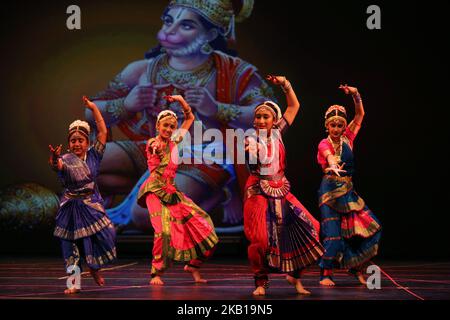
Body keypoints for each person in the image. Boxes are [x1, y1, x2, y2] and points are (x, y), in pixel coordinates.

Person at [86, 0, 275, 232]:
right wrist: (126, 104)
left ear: (210, 34)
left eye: (186, 25)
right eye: (168, 21)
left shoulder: (234, 71)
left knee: (145, 215)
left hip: (205, 156)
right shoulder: (142, 70)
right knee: (85, 167)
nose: (170, 30)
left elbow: (270, 114)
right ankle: (169, 193)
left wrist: (217, 109)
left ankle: (218, 201)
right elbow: (90, 110)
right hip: (157, 150)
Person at [243, 75, 323, 296]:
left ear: (274, 120)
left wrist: (286, 84)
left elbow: (293, 105)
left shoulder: (278, 132)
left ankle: (295, 276)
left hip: (280, 189)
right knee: (259, 239)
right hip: (258, 191)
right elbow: (252, 161)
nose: (260, 120)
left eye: (265, 117)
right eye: (257, 117)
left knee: (313, 227)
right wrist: (252, 154)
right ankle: (261, 281)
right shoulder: (250, 139)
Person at [137, 95, 218, 285]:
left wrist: (181, 101)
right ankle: (156, 273)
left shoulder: (175, 141)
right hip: (155, 192)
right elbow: (153, 147)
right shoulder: (152, 143)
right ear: (158, 126)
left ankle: (194, 266)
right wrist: (156, 147)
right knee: (163, 232)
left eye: (172, 126)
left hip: (173, 192)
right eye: (165, 125)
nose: (168, 129)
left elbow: (189, 119)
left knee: (204, 226)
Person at [49, 96, 117, 294]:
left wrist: (94, 107)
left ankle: (94, 266)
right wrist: (54, 158)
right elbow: (57, 165)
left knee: (108, 233)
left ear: (87, 142)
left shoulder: (94, 155)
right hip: (71, 206)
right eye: (73, 141)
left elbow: (103, 131)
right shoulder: (65, 159)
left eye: (80, 140)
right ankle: (74, 284)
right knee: (70, 246)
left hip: (91, 204)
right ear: (69, 144)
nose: (77, 143)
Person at [317, 85, 381, 286]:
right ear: (327, 126)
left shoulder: (348, 138)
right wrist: (332, 164)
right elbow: (328, 155)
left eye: (340, 125)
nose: (336, 129)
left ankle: (356, 265)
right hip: (329, 193)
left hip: (348, 192)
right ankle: (326, 274)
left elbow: (360, 114)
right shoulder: (323, 143)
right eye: (332, 125)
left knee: (371, 228)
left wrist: (356, 95)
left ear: (344, 127)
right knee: (334, 237)